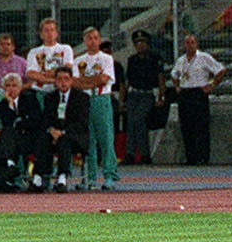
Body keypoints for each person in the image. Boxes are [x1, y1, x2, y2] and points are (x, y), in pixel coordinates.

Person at [73, 26, 119, 189]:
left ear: (99, 40)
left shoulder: (106, 59)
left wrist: (88, 81)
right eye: (89, 38)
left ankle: (109, 175)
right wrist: (93, 80)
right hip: (85, 100)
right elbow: (75, 82)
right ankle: (89, 176)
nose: (93, 41)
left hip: (101, 98)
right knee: (88, 139)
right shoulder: (79, 61)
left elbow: (104, 79)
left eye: (95, 38)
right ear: (85, 41)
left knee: (106, 137)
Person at [170, 32, 224, 164]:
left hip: (199, 93)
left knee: (201, 127)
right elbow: (174, 74)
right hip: (185, 93)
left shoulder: (204, 57)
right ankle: (191, 157)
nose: (190, 45)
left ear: (196, 44)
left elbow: (220, 70)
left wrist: (212, 85)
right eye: (187, 43)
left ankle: (203, 157)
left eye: (192, 42)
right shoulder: (181, 60)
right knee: (186, 127)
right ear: (184, 45)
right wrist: (177, 86)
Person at [38, 66, 90, 191]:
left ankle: (62, 176)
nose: (63, 82)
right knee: (43, 138)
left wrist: (63, 132)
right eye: (59, 79)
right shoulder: (49, 98)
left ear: (71, 80)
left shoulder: (82, 98)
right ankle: (39, 177)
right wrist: (52, 130)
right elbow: (45, 120)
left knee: (64, 141)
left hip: (75, 136)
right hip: (54, 134)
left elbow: (81, 123)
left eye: (66, 79)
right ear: (55, 81)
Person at [122, 31, 164, 166]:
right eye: (137, 43)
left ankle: (145, 154)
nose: (140, 45)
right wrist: (123, 99)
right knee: (130, 123)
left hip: (147, 94)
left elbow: (160, 79)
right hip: (133, 94)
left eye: (143, 43)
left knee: (139, 120)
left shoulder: (154, 58)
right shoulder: (132, 60)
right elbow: (127, 80)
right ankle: (130, 154)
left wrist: (161, 97)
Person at [27, 17, 76, 83]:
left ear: (57, 33)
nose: (50, 33)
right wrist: (54, 80)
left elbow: (68, 68)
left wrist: (51, 73)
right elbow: (31, 73)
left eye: (52, 30)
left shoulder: (66, 49)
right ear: (41, 35)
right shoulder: (34, 52)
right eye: (46, 30)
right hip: (41, 90)